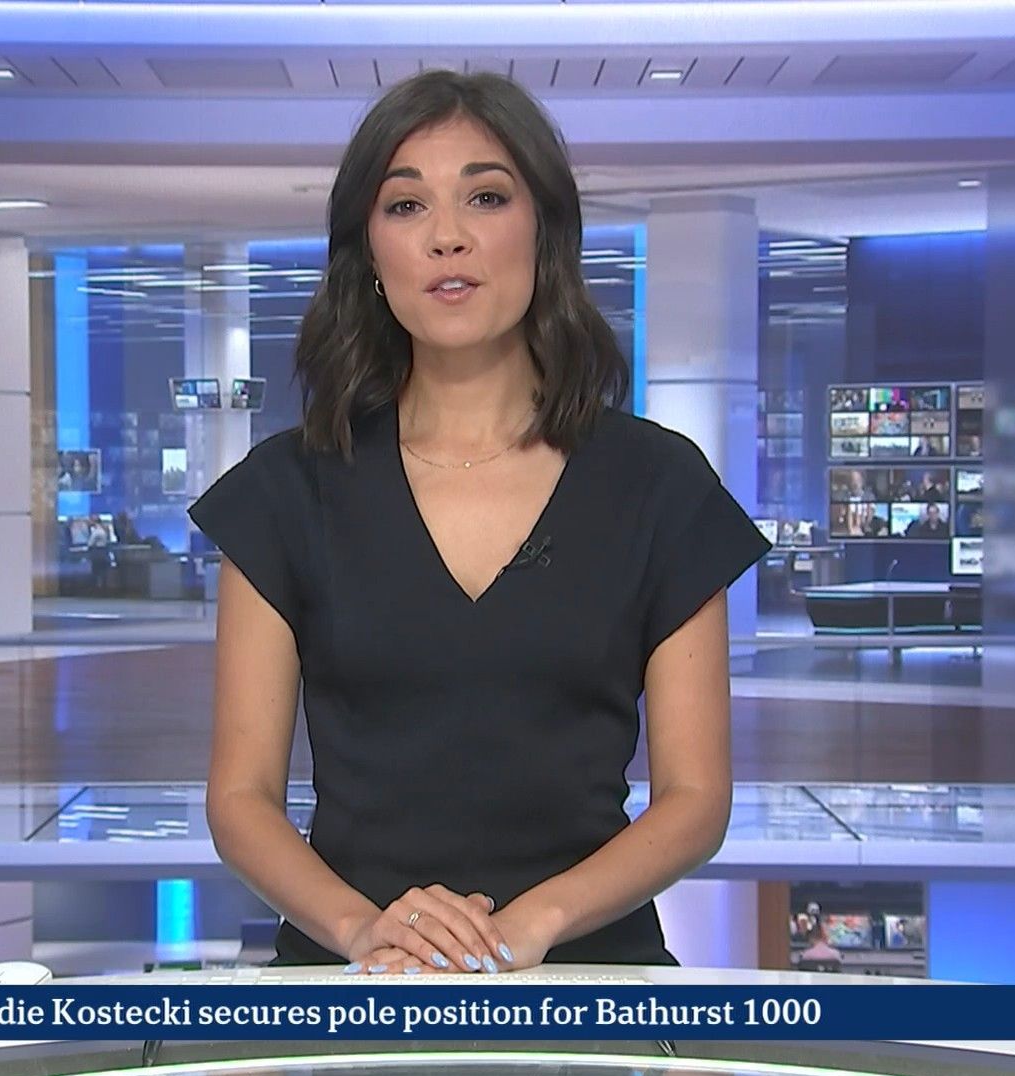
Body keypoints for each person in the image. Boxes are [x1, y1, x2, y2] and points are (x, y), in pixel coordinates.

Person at [190, 70, 770, 975]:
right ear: (369, 251)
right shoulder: (285, 491)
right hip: (355, 984)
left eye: (486, 197)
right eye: (406, 205)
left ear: (546, 230)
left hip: (587, 980)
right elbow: (240, 798)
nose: (447, 236)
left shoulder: (658, 484)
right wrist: (364, 931)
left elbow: (696, 800)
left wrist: (525, 927)